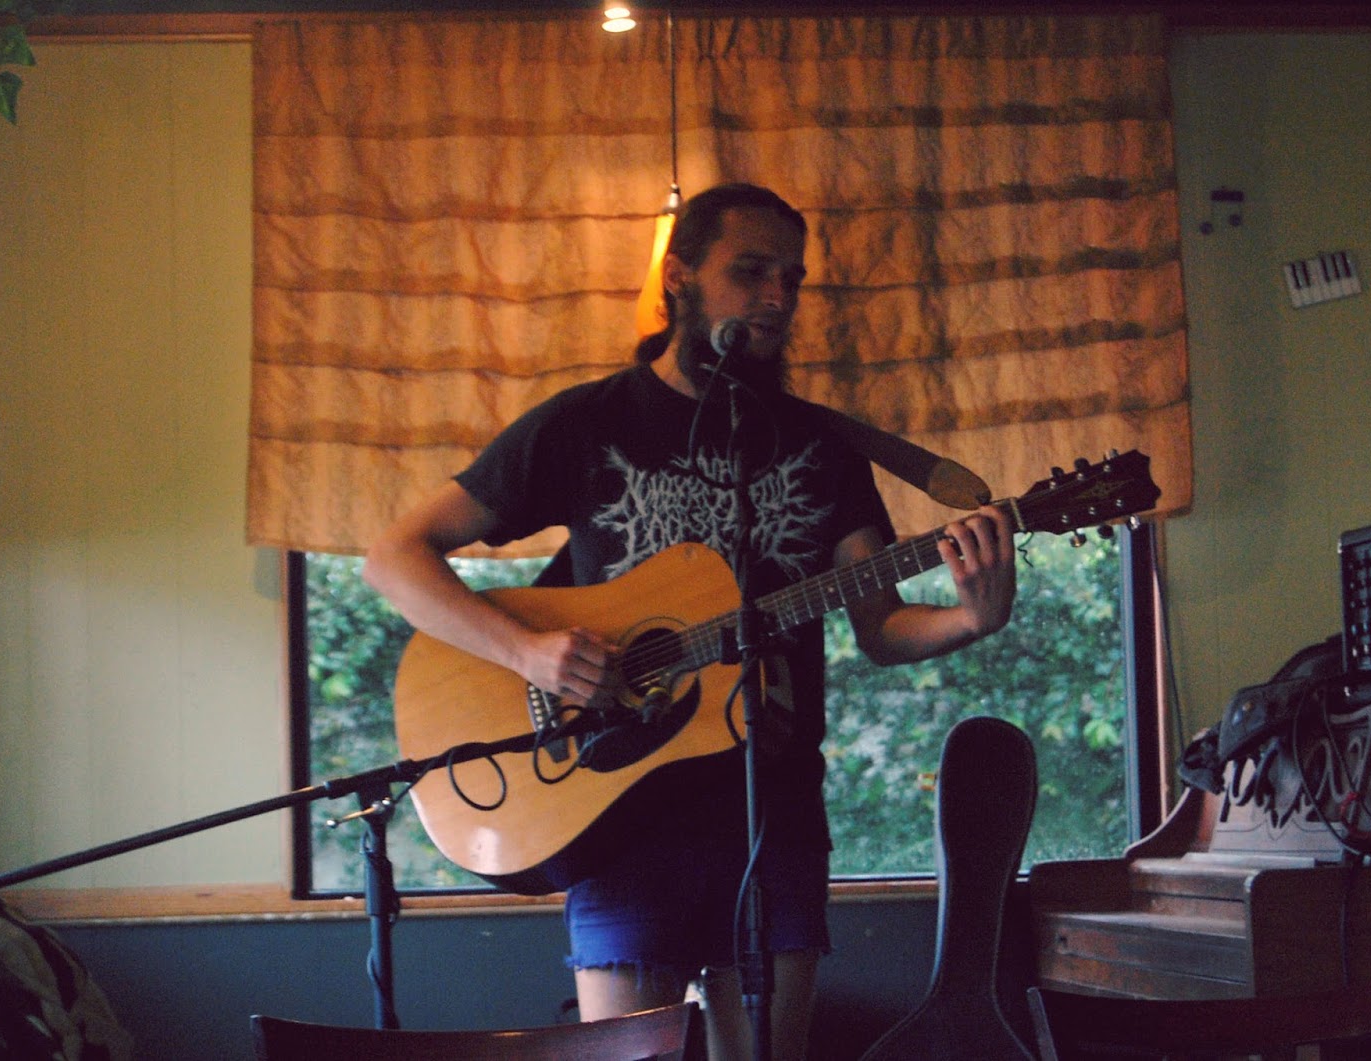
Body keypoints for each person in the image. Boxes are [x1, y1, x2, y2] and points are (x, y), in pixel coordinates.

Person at [363, 182, 1018, 1061]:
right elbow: (395, 556)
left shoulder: (822, 446)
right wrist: (529, 652)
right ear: (679, 278)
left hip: (774, 813)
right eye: (751, 272)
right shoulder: (587, 423)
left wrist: (971, 618)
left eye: (792, 278)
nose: (777, 297)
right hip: (618, 818)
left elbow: (881, 624)